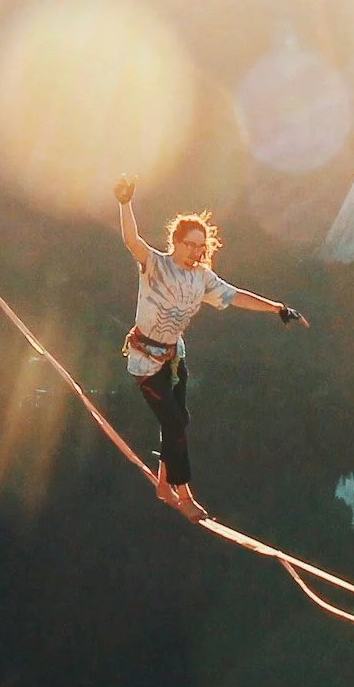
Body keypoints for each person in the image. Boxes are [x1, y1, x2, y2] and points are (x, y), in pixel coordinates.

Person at [113, 177, 308, 520]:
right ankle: (184, 495)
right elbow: (132, 240)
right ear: (176, 242)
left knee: (179, 421)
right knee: (173, 423)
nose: (196, 252)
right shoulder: (156, 264)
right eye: (190, 245)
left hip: (174, 357)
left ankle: (164, 485)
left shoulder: (202, 277)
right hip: (146, 360)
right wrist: (125, 203)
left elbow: (236, 296)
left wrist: (276, 308)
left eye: (200, 247)